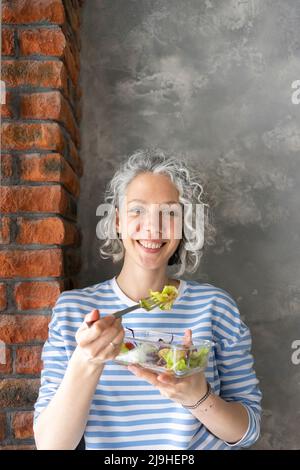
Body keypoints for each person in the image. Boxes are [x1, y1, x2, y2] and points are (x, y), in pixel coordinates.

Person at [33, 149, 262, 450]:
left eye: (169, 213)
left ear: (183, 226)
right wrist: (86, 360)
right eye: (137, 210)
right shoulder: (74, 312)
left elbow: (249, 430)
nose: (153, 228)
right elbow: (51, 446)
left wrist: (198, 397)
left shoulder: (215, 308)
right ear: (117, 220)